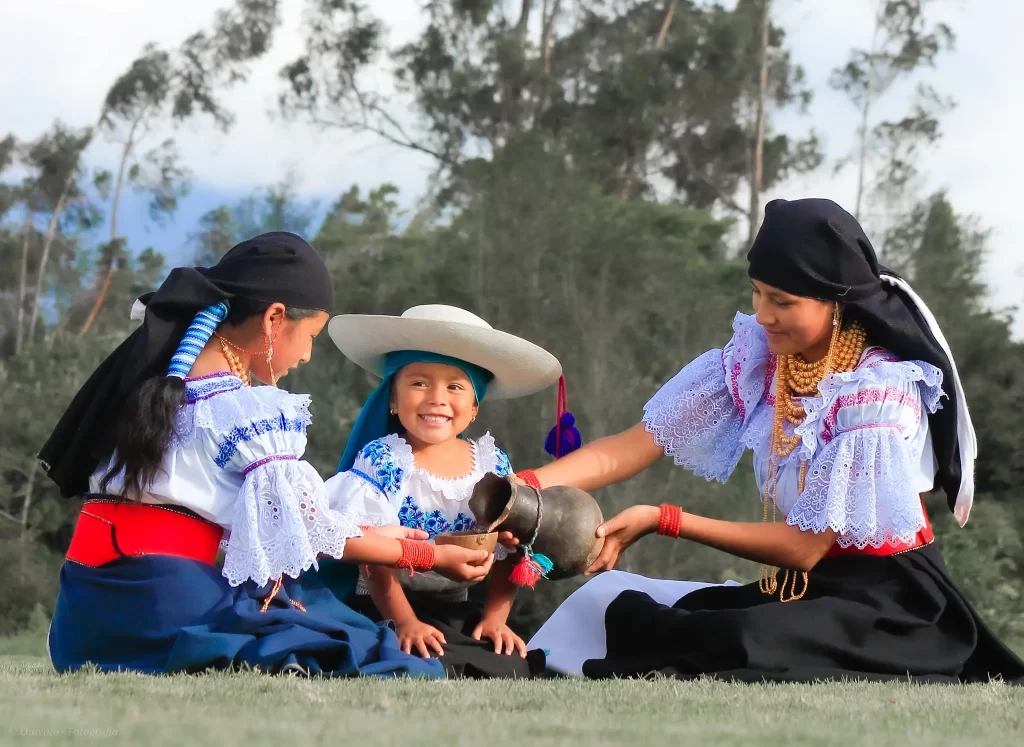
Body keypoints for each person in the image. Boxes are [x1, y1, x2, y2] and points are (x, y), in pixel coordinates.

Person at [525, 199, 1024, 684]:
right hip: (808, 592)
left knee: (736, 636)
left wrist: (665, 519)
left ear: (836, 302)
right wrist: (521, 488)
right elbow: (632, 446)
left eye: (782, 301)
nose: (762, 314)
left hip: (889, 604)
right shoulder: (760, 362)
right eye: (758, 293)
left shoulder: (876, 390)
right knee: (617, 603)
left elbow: (806, 548)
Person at [40, 233, 494, 678]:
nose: (309, 354)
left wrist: (377, 531)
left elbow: (291, 519)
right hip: (162, 605)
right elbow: (311, 534)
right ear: (275, 320)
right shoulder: (248, 413)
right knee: (360, 644)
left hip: (85, 614)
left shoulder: (148, 392)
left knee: (310, 618)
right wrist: (428, 556)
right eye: (311, 334)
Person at [324, 304, 562, 678]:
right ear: (392, 397)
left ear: (473, 409)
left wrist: (495, 618)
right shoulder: (384, 460)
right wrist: (405, 623)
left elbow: (511, 547)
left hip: (454, 608)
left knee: (506, 666)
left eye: (455, 386)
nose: (437, 398)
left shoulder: (492, 464)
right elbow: (372, 560)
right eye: (419, 383)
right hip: (384, 606)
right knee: (401, 657)